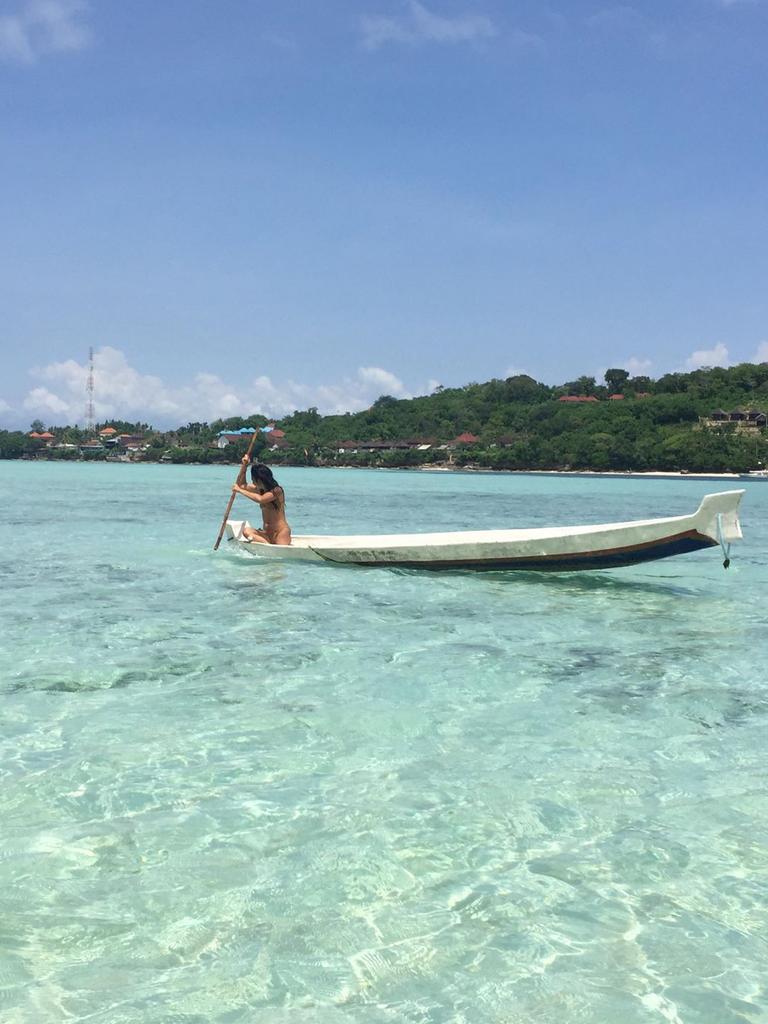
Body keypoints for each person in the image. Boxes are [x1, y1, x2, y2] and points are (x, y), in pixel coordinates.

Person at [232, 456, 292, 545]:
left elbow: (261, 499)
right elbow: (242, 484)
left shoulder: (277, 490)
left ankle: (267, 546)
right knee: (246, 531)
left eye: (253, 479)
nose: (252, 482)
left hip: (280, 532)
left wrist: (240, 491)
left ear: (259, 480)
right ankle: (266, 544)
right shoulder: (260, 489)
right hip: (267, 533)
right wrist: (244, 466)